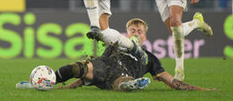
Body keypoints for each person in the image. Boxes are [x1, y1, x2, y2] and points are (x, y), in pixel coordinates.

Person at [16, 18, 214, 92]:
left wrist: (200, 89)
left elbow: (172, 81)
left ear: (145, 36)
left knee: (123, 81)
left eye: (139, 31)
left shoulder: (150, 58)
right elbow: (99, 63)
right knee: (79, 67)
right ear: (127, 33)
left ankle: (131, 85)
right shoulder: (116, 43)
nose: (136, 33)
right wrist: (70, 86)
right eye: (133, 30)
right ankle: (49, 82)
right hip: (101, 69)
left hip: (120, 76)